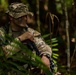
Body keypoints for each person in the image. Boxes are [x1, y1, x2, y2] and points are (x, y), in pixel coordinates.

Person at [0, 2, 60, 75]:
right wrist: (20, 39)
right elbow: (2, 54)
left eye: (26, 16)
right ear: (11, 17)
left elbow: (42, 45)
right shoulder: (2, 33)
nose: (24, 19)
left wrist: (45, 56)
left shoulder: (30, 32)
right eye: (20, 17)